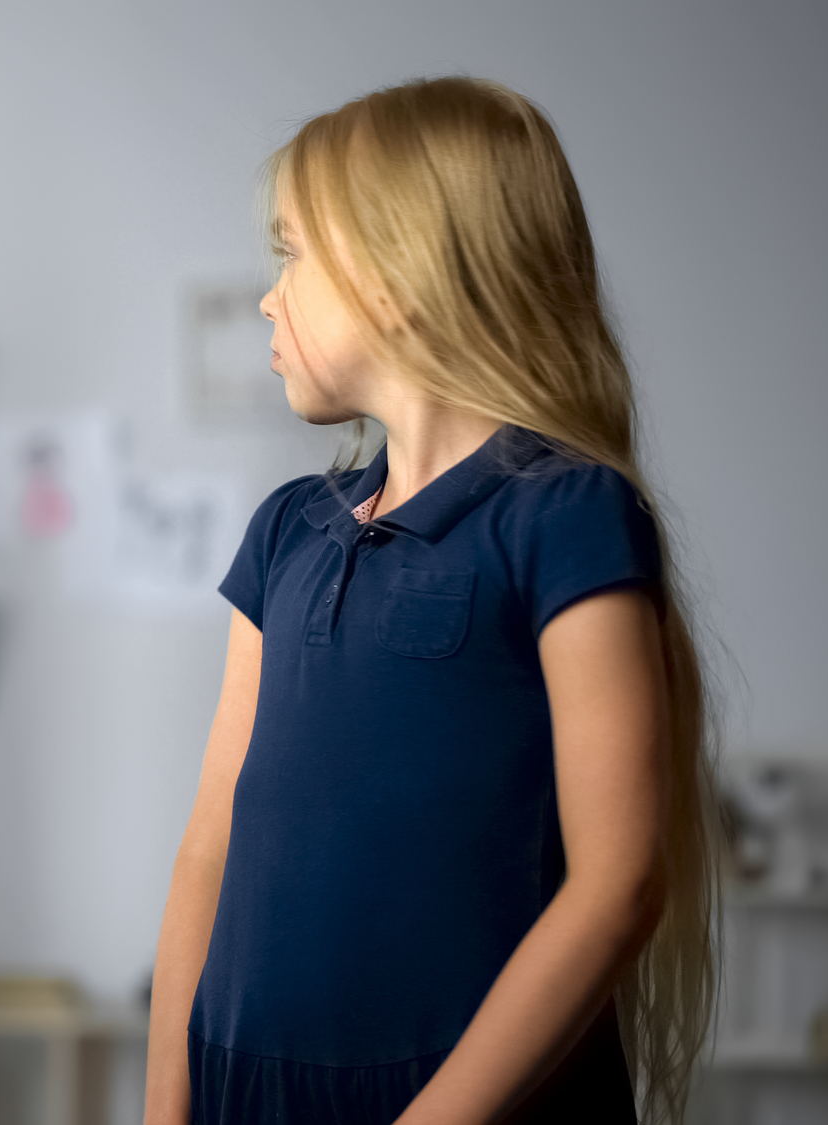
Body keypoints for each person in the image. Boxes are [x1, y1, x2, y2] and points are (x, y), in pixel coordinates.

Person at [143, 78, 717, 1125]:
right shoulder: (285, 532)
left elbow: (616, 884)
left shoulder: (565, 515)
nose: (268, 297)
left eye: (290, 255)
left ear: (397, 277)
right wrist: (164, 1111)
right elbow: (208, 847)